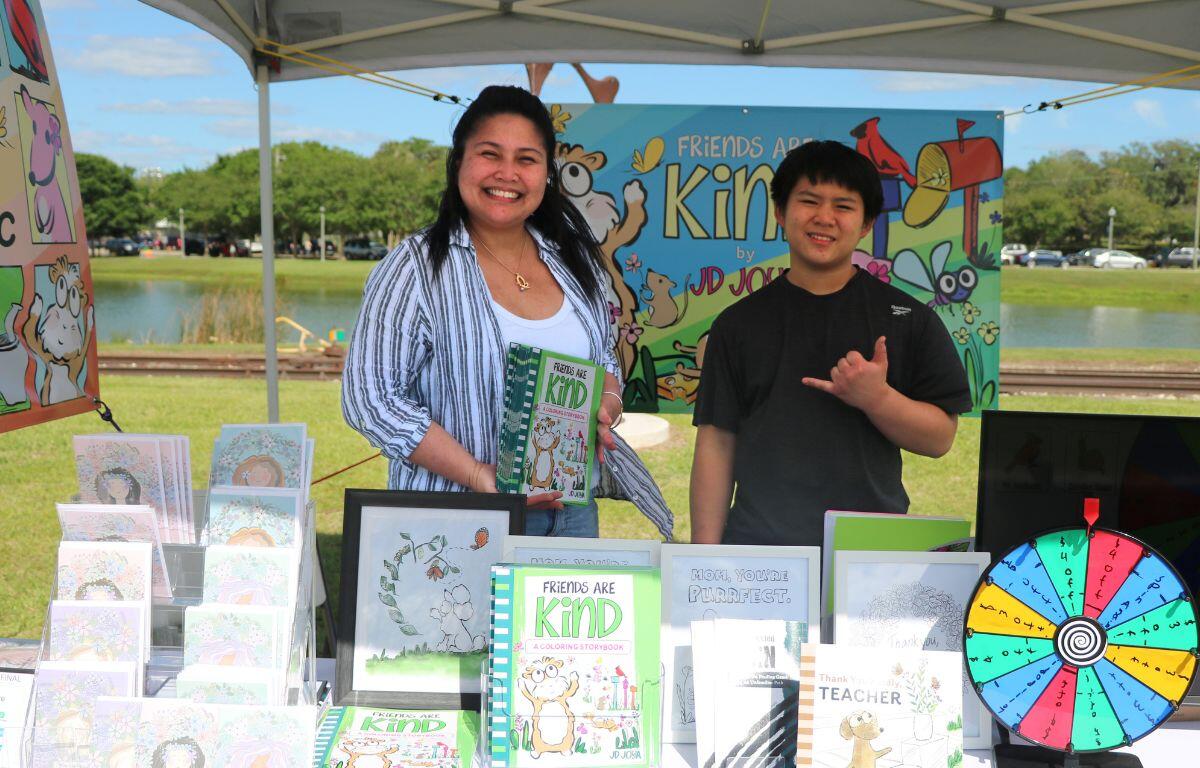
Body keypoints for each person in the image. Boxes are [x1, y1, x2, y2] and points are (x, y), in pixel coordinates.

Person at [342, 85, 671, 540]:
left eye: (527, 159)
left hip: (570, 516)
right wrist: (479, 474)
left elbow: (605, 361)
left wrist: (608, 401)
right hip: (457, 521)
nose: (507, 173)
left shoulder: (574, 260)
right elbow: (370, 400)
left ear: (546, 174)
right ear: (459, 162)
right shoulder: (415, 265)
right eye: (490, 154)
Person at [690, 140, 971, 547]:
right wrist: (704, 555)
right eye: (809, 201)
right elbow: (716, 443)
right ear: (780, 213)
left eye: (843, 206)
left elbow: (940, 439)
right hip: (760, 549)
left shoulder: (908, 318)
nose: (824, 218)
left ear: (867, 223)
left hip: (869, 550)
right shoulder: (737, 324)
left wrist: (876, 398)